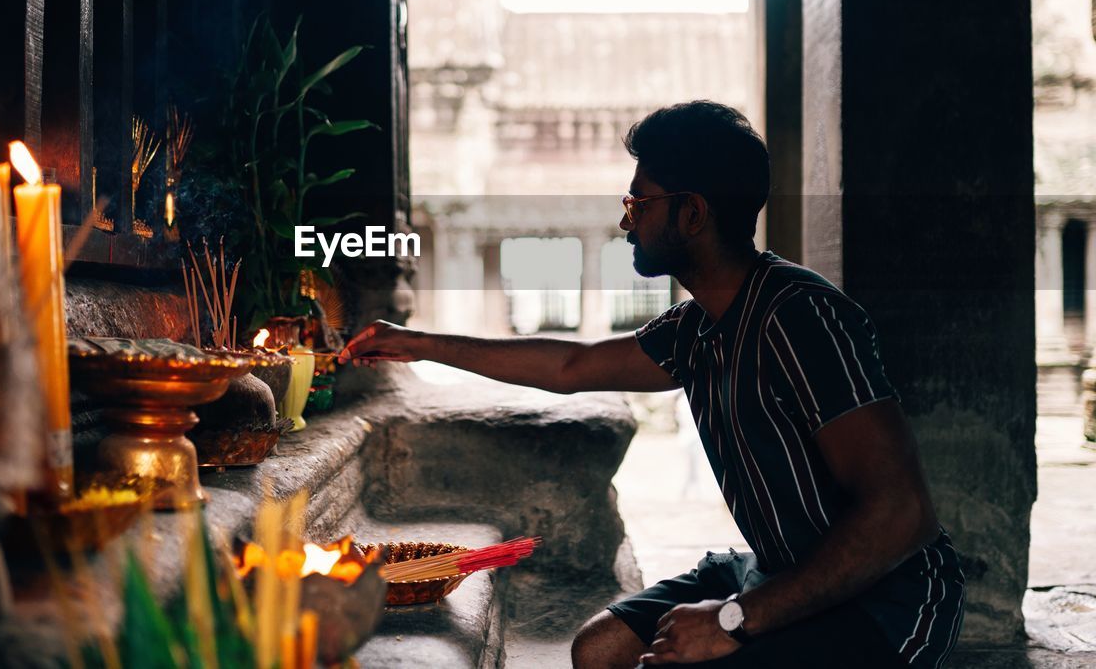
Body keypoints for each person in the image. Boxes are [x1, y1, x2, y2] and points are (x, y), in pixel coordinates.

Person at [338, 101, 964, 668]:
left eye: (639, 202)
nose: (625, 220)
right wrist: (418, 344)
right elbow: (571, 368)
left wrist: (732, 620)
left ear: (692, 213)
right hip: (778, 571)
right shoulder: (697, 329)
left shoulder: (800, 317)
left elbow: (899, 515)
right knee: (599, 649)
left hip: (888, 598)